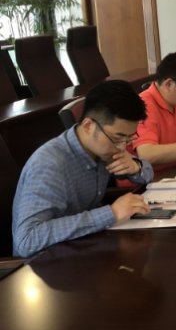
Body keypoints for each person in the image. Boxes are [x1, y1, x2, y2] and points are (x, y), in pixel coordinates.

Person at [12, 80, 154, 257]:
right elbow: (27, 240)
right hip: (46, 262)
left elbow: (147, 173)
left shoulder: (103, 148)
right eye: (118, 138)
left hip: (82, 247)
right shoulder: (50, 165)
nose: (122, 147)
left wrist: (136, 167)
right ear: (88, 126)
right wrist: (111, 213)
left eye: (129, 138)